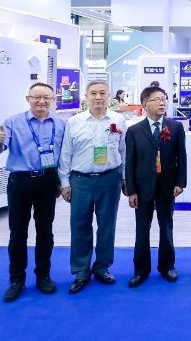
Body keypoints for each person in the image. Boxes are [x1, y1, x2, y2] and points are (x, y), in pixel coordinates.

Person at [0, 82, 66, 302]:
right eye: (36, 97)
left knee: (45, 232)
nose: (41, 101)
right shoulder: (12, 122)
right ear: (28, 99)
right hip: (20, 182)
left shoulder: (62, 124)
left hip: (48, 181)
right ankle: (17, 279)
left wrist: (62, 182)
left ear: (53, 100)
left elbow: (64, 156)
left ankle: (43, 275)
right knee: (17, 233)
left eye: (46, 97)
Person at [59, 80, 127, 294]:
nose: (98, 97)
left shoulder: (118, 120)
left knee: (107, 224)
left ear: (109, 97)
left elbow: (123, 151)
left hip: (110, 178)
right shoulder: (74, 122)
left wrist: (125, 178)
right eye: (94, 93)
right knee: (80, 225)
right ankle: (81, 270)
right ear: (86, 97)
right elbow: (66, 153)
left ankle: (102, 267)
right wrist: (65, 182)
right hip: (81, 180)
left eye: (103, 93)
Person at [125, 86, 187, 288]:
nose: (162, 103)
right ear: (145, 104)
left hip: (167, 186)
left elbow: (182, 157)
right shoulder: (134, 131)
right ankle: (141, 269)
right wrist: (131, 191)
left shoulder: (175, 127)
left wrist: (180, 182)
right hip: (143, 187)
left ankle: (167, 265)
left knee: (166, 226)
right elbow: (129, 163)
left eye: (164, 99)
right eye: (156, 99)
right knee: (142, 229)